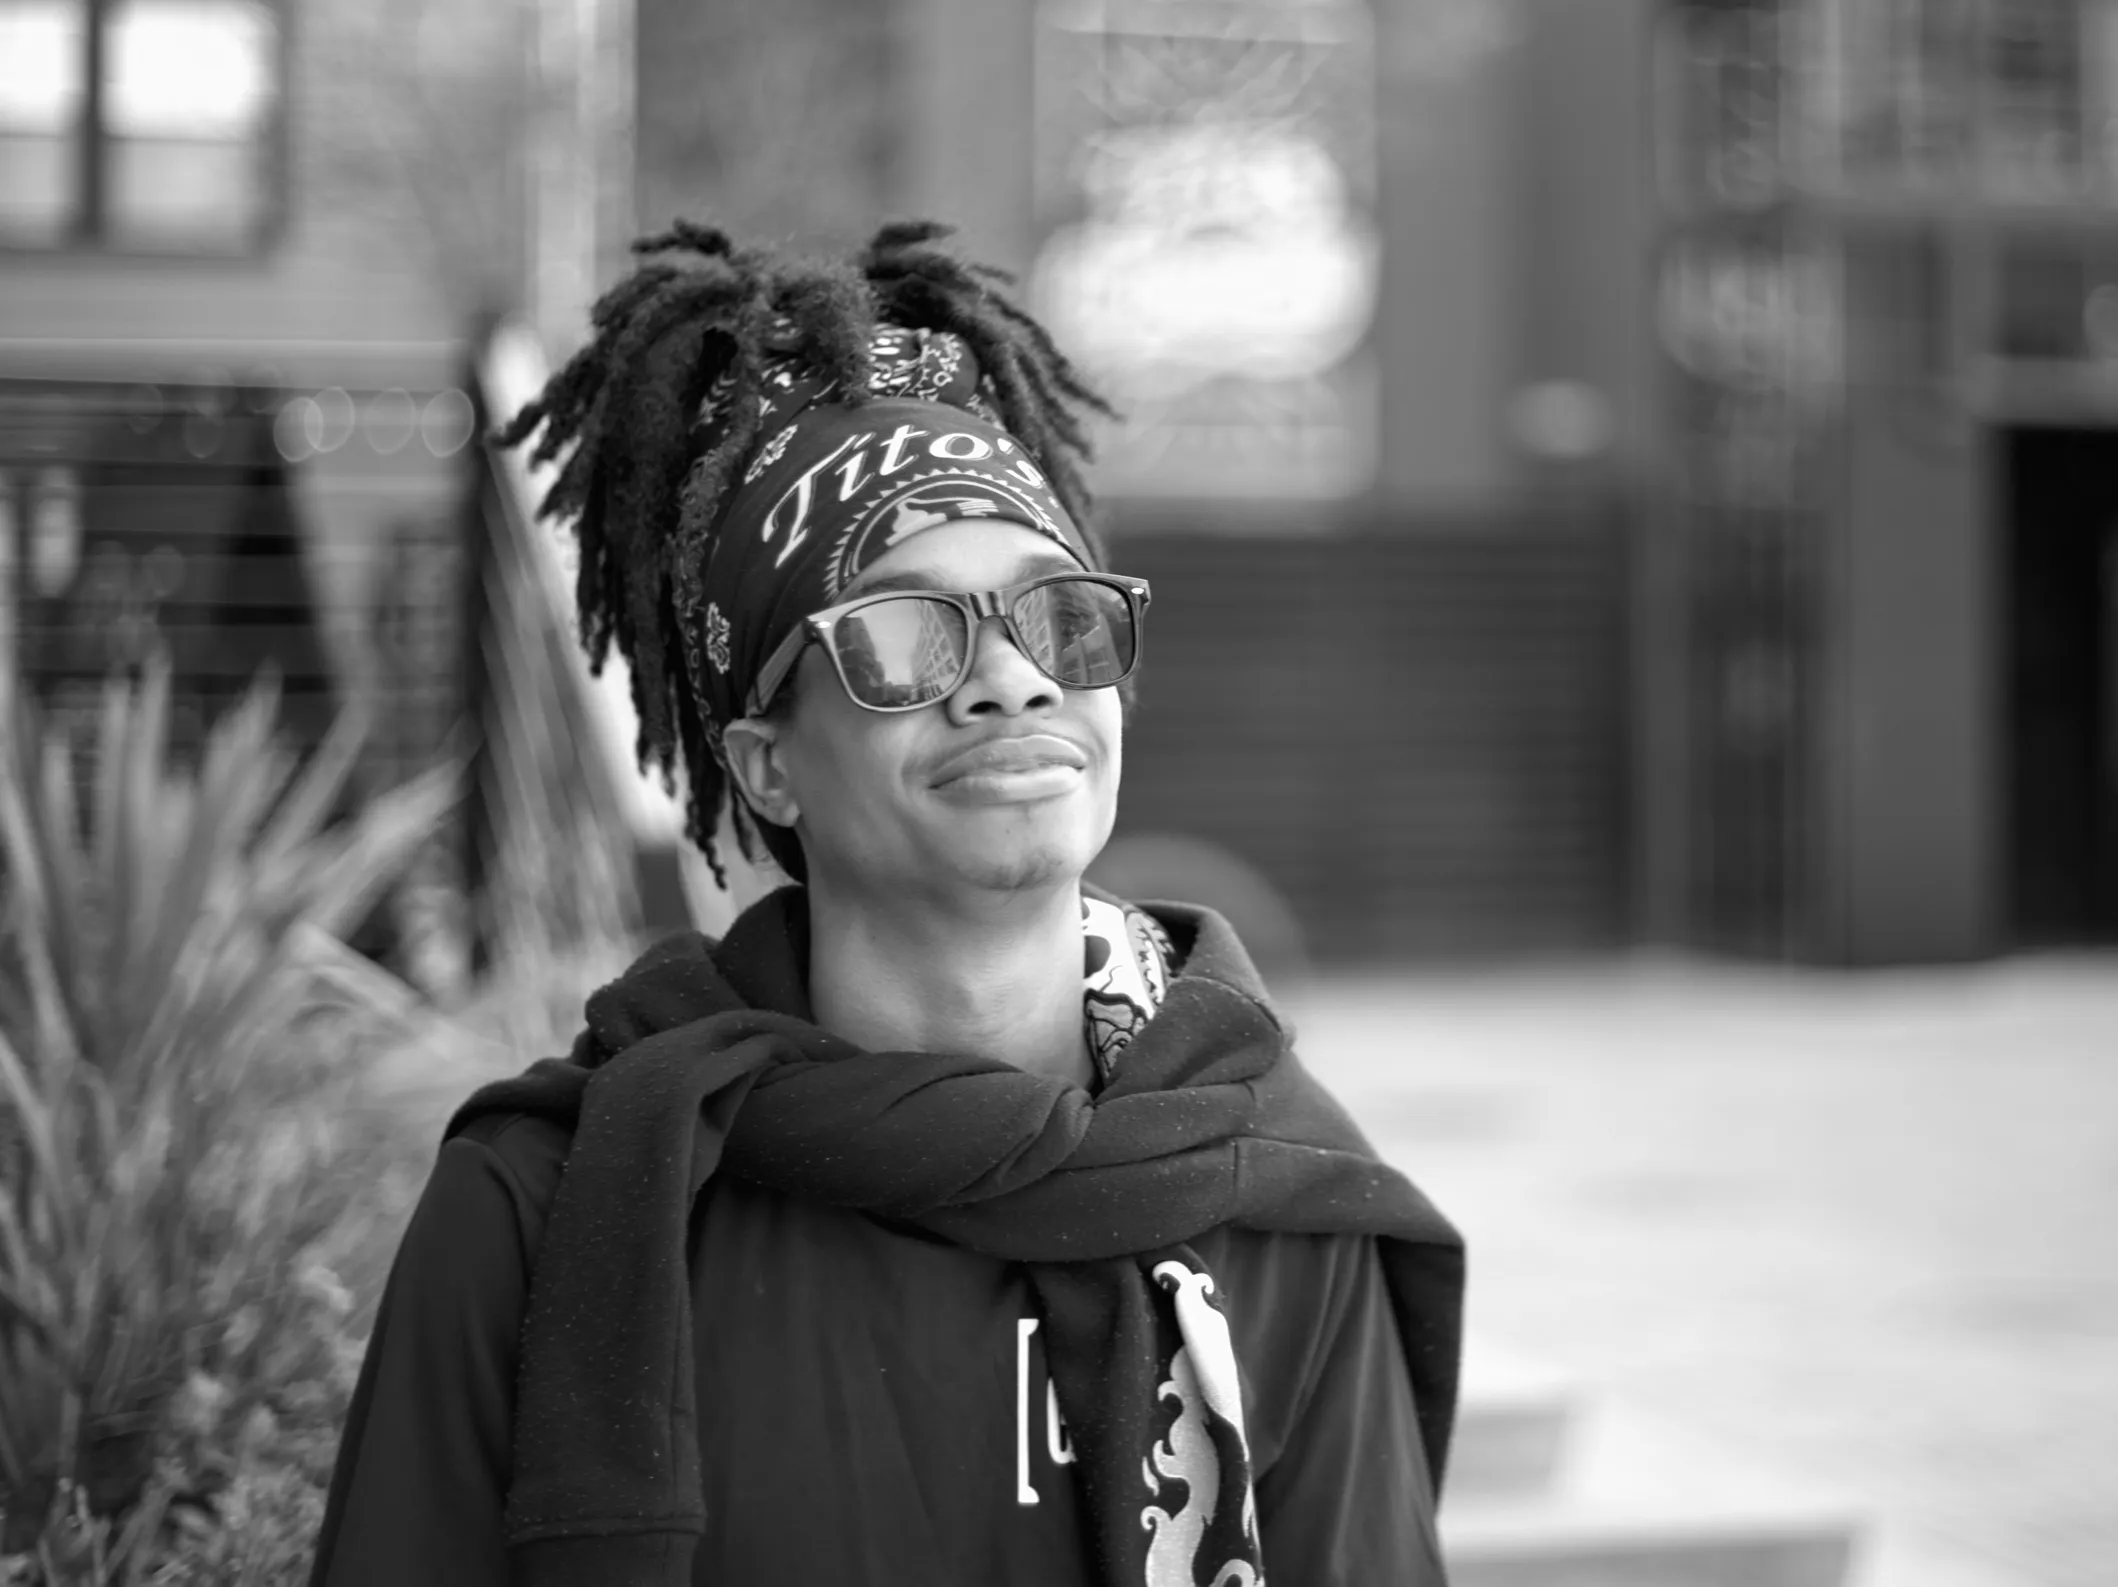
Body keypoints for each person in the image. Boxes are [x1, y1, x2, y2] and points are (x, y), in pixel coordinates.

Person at [308, 221, 1464, 1587]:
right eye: (907, 637)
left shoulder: (1273, 1190)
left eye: (1059, 617)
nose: (1013, 680)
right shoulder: (551, 1211)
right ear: (770, 769)